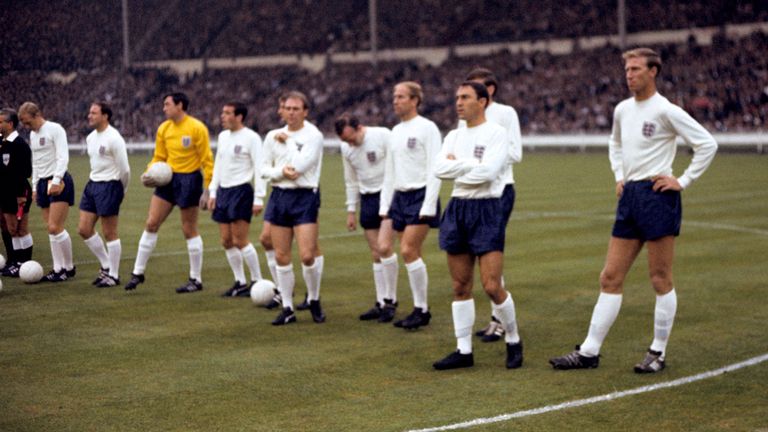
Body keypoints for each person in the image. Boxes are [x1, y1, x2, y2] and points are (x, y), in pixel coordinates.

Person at [549, 48, 718, 373]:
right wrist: (619, 176)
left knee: (659, 278)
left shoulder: (666, 110)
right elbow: (615, 144)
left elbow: (707, 143)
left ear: (653, 71)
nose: (629, 74)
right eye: (627, 69)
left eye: (636, 68)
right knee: (610, 277)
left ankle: (657, 352)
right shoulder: (623, 110)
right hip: (631, 196)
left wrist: (682, 180)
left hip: (657, 196)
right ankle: (589, 352)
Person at [432, 82, 524, 370]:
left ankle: (513, 338)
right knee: (460, 285)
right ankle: (464, 350)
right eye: (457, 97)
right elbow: (438, 170)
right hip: (458, 207)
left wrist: (458, 165)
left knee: (492, 285)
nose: (458, 102)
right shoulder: (452, 136)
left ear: (482, 101)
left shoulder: (497, 133)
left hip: (487, 208)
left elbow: (489, 173)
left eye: (465, 98)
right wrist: (472, 164)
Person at [124, 92, 214, 293]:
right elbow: (159, 156)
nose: (164, 108)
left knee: (189, 228)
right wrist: (149, 171)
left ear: (179, 105)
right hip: (168, 179)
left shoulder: (196, 128)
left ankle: (195, 279)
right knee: (151, 222)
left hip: (190, 180)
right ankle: (137, 273)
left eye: (167, 104)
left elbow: (207, 161)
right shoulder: (164, 128)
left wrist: (208, 190)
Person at [461, 67, 523, 344]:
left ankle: (500, 322)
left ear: (490, 90)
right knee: (482, 255)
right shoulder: (466, 119)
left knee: (491, 251)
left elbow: (515, 152)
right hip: (474, 191)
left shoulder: (505, 114)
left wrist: (486, 163)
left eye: (474, 88)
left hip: (499, 189)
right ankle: (497, 318)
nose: (465, 98)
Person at [378, 81, 442, 329]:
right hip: (400, 199)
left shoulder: (428, 128)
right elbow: (390, 172)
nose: (396, 100)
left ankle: (422, 309)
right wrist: (385, 206)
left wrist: (428, 205)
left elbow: (434, 168)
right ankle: (407, 304)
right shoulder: (394, 131)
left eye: (401, 96)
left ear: (415, 100)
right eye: (394, 96)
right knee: (402, 251)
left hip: (421, 196)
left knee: (407, 250)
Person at [261, 91, 325, 325]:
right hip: (279, 197)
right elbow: (263, 169)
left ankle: (314, 298)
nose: (291, 112)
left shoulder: (313, 135)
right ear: (282, 110)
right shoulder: (272, 136)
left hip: (304, 196)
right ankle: (287, 307)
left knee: (308, 255)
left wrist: (285, 150)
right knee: (281, 255)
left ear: (305, 111)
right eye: (287, 108)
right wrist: (279, 172)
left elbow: (298, 167)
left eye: (296, 109)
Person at [334, 113, 395, 321]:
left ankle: (391, 301)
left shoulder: (382, 135)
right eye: (345, 141)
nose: (350, 144)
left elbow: (397, 164)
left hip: (389, 194)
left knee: (386, 248)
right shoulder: (346, 148)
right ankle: (380, 301)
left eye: (351, 139)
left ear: (360, 127)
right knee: (376, 252)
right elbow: (350, 180)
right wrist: (351, 210)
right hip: (367, 199)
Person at [207, 102, 265, 296]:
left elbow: (260, 168)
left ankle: (257, 281)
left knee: (240, 239)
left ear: (239, 117)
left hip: (241, 191)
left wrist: (258, 197)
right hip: (223, 191)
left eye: (227, 113)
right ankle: (240, 281)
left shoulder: (252, 138)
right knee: (226, 240)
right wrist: (213, 192)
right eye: (222, 112)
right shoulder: (223, 137)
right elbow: (218, 166)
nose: (222, 116)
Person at [18, 102, 76, 282]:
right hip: (42, 184)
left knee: (54, 226)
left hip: (58, 181)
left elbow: (62, 156)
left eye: (28, 122)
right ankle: (58, 269)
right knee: (50, 229)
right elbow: (36, 163)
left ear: (37, 115)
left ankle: (69, 267)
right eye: (24, 124)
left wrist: (57, 180)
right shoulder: (33, 136)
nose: (27, 127)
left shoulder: (54, 129)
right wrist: (35, 187)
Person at [77, 102, 131, 287]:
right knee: (84, 229)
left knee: (110, 232)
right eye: (89, 112)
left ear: (105, 116)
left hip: (110, 186)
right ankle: (106, 266)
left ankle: (114, 276)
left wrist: (120, 190)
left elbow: (125, 169)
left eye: (94, 113)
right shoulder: (91, 137)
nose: (89, 116)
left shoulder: (114, 138)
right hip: (93, 184)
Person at [0, 108, 33, 277]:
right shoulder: (3, 143)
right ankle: (15, 261)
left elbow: (25, 171)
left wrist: (21, 194)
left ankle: (24, 262)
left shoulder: (20, 145)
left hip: (18, 192)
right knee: (10, 228)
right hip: (5, 192)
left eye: (0, 122)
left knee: (20, 229)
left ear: (10, 124)